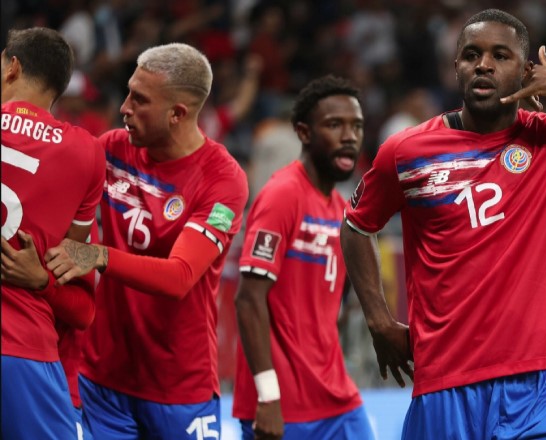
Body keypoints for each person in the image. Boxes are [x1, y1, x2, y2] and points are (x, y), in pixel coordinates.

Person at [341, 8, 546, 440]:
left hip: (540, 385)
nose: (484, 64)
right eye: (471, 55)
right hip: (446, 385)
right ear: (455, 66)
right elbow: (355, 226)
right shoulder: (407, 151)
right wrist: (379, 321)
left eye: (501, 55)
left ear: (526, 71)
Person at [43, 42, 249, 439]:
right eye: (128, 93)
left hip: (179, 388)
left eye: (139, 100)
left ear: (177, 114)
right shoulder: (112, 149)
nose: (124, 108)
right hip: (103, 382)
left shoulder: (222, 180)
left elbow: (179, 276)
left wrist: (98, 255)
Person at [232, 75, 374, 440]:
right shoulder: (283, 195)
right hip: (282, 403)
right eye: (334, 125)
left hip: (335, 395)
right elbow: (249, 300)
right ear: (304, 133)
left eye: (356, 126)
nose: (349, 136)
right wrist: (268, 396)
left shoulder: (341, 210)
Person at [1, 27, 105, 440]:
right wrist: (42, 279)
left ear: (13, 67)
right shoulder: (86, 152)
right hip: (23, 346)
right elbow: (77, 283)